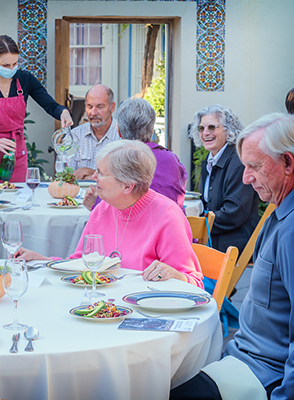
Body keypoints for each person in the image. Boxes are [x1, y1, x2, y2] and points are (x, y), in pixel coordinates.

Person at [170, 113, 294, 400]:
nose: (246, 177)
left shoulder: (290, 231)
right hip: (242, 355)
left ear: (288, 163)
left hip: (261, 373)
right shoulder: (278, 212)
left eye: (255, 166)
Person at [16, 140, 203, 288]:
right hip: (105, 310)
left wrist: (173, 274)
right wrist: (41, 260)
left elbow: (195, 284)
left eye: (101, 173)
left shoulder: (167, 216)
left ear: (128, 186)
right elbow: (80, 264)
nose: (94, 177)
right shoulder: (103, 208)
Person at [0, 34, 73, 184]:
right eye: (6, 65)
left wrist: (63, 112)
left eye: (15, 63)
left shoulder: (25, 79)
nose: (12, 69)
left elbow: (50, 105)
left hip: (16, 153)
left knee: (17, 199)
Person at [83, 97, 187, 211]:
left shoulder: (114, 162)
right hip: (170, 225)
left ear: (118, 131)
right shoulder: (171, 159)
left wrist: (94, 206)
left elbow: (106, 215)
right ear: (152, 130)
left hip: (135, 227)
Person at [189, 104, 259, 254]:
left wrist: (197, 223)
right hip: (213, 241)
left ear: (229, 131)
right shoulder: (209, 160)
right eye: (201, 128)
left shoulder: (238, 161)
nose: (205, 133)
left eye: (212, 127)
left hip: (232, 246)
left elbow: (234, 213)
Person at [68, 84, 120, 180]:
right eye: (90, 106)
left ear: (112, 108)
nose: (93, 112)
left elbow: (125, 179)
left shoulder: (123, 136)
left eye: (100, 107)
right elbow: (66, 178)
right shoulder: (74, 136)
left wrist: (88, 172)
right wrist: (104, 176)